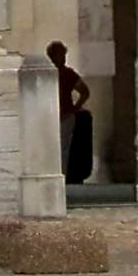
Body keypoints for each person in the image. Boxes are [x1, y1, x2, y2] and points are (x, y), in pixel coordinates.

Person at [47, 41, 93, 187]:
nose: (63, 58)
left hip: (65, 115)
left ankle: (62, 178)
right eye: (60, 55)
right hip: (51, 116)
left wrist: (75, 107)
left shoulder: (68, 74)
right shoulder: (47, 73)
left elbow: (85, 92)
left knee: (63, 148)